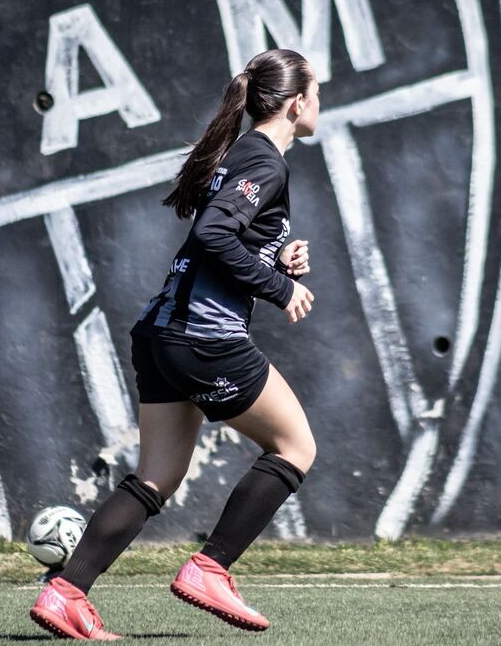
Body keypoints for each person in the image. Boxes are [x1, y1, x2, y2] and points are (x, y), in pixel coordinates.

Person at [30, 48, 319, 640]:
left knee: (157, 476)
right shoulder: (265, 162)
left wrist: (275, 257)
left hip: (161, 332)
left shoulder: (242, 154)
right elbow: (214, 232)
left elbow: (223, 235)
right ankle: (209, 568)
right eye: (317, 91)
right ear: (296, 103)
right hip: (203, 338)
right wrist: (277, 287)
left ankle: (65, 593)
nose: (320, 102)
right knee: (295, 447)